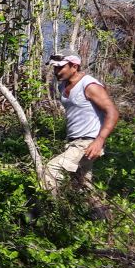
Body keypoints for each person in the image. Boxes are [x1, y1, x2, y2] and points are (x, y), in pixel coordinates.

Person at [42, 49, 119, 195]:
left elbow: (113, 112)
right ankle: (100, 214)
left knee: (51, 169)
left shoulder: (89, 85)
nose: (56, 71)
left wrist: (99, 141)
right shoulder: (62, 86)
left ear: (74, 66)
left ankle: (47, 212)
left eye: (60, 67)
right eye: (55, 67)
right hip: (73, 141)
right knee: (82, 185)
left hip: (87, 143)